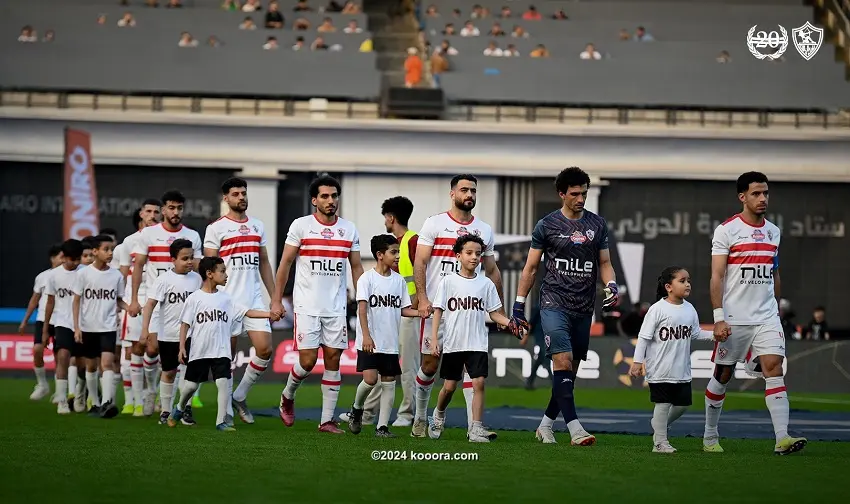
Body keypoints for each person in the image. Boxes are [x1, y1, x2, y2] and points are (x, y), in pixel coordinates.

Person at [511, 167, 619, 445]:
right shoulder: (546, 225)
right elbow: (531, 267)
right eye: (575, 194)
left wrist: (611, 286)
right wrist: (519, 305)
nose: (581, 198)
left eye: (584, 193)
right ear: (562, 194)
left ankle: (545, 425)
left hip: (584, 308)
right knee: (561, 360)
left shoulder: (598, 225)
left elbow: (604, 264)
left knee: (569, 373)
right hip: (553, 303)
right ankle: (575, 428)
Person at [704, 171, 807, 455]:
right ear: (742, 197)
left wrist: (777, 305)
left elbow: (774, 273)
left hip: (766, 317)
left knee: (774, 368)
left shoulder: (774, 231)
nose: (763, 199)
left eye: (766, 193)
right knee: (723, 375)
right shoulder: (727, 230)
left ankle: (782, 438)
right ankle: (710, 436)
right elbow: (717, 276)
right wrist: (718, 317)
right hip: (735, 319)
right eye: (756, 194)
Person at [412, 174, 504, 440]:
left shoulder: (483, 230)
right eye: (464, 190)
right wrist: (423, 298)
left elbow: (492, 270)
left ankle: (473, 427)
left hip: (468, 310)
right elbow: (420, 263)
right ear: (452, 193)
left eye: (473, 190)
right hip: (439, 307)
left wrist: (500, 308)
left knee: (471, 371)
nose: (470, 195)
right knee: (430, 365)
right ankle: (421, 416)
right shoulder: (434, 223)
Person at [271, 175, 365, 433]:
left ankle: (326, 421)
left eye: (334, 196)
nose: (331, 200)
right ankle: (288, 395)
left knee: (333, 358)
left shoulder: (349, 229)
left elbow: (356, 267)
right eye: (325, 196)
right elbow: (285, 264)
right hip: (307, 306)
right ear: (314, 200)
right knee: (309, 360)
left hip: (336, 307)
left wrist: (362, 299)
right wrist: (277, 300)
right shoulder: (301, 226)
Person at [204, 177, 278, 424]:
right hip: (226, 301)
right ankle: (224, 412)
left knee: (266, 349)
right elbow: (208, 268)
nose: (241, 197)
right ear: (226, 198)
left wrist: (275, 297)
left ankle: (240, 395)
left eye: (244, 193)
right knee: (228, 359)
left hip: (254, 299)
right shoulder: (216, 228)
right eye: (235, 194)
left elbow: (265, 262)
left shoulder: (257, 226)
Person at [340, 195, 419, 428]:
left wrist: (421, 305)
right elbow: (363, 308)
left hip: (405, 311)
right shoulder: (387, 249)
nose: (397, 256)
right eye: (393, 253)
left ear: (391, 217)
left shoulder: (411, 242)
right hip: (388, 317)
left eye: (385, 216)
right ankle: (365, 413)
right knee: (379, 375)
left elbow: (421, 272)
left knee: (403, 368)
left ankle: (404, 413)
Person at [169, 257, 272, 431]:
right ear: (209, 274)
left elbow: (248, 312)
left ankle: (221, 421)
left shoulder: (227, 299)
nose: (226, 275)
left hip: (221, 350)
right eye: (222, 271)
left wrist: (269, 314)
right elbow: (185, 324)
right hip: (199, 350)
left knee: (223, 383)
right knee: (191, 386)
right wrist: (181, 347)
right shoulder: (194, 299)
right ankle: (179, 407)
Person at [428, 235, 514, 443]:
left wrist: (510, 322)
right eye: (469, 253)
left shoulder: (485, 284)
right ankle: (438, 415)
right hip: (454, 343)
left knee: (479, 383)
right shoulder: (448, 282)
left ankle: (475, 428)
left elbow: (494, 313)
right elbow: (438, 311)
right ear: (458, 256)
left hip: (477, 342)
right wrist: (434, 339)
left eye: (478, 253)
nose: (474, 257)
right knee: (449, 387)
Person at [628, 267, 722, 453]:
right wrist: (637, 362)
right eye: (682, 280)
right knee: (662, 404)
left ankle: (658, 424)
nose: (687, 284)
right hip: (660, 368)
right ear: (668, 287)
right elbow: (644, 337)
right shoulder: (657, 309)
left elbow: (695, 333)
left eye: (688, 280)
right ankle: (660, 443)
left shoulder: (689, 309)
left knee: (682, 405)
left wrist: (715, 335)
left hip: (682, 370)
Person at [130, 191, 202, 417]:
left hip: (182, 302)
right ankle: (152, 391)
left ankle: (176, 405)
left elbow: (197, 268)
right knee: (151, 349)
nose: (175, 212)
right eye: (171, 207)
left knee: (183, 358)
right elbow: (139, 266)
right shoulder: (148, 234)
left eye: (179, 208)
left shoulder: (192, 235)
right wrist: (134, 299)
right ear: (163, 210)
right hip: (156, 299)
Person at [142, 239, 202, 424]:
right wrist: (145, 329)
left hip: (192, 334)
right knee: (168, 372)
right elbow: (150, 305)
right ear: (173, 259)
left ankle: (185, 409)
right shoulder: (163, 280)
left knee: (190, 372)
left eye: (191, 257)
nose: (190, 261)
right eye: (185, 258)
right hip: (168, 334)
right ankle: (166, 411)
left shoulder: (197, 279)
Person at [72, 234, 126, 418]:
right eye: (106, 249)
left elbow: (119, 300)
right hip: (88, 327)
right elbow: (76, 301)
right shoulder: (83, 274)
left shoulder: (116, 275)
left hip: (109, 326)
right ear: (95, 251)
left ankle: (107, 402)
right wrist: (77, 327)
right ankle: (94, 403)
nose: (110, 253)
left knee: (107, 363)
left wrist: (130, 308)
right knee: (91, 366)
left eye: (112, 249)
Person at [118, 200, 162, 415]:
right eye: (149, 211)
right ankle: (135, 401)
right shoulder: (129, 242)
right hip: (137, 300)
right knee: (136, 348)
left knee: (158, 349)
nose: (152, 215)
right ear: (141, 214)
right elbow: (123, 276)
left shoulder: (166, 239)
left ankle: (153, 395)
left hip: (160, 300)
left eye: (156, 211)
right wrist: (130, 301)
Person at [42, 239, 85, 415]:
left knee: (83, 365)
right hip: (62, 322)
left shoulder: (85, 273)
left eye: (78, 259)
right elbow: (50, 302)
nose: (75, 263)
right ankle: (62, 401)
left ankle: (81, 394)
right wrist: (45, 328)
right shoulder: (53, 276)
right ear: (63, 257)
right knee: (63, 357)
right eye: (72, 259)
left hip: (84, 324)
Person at [19, 244, 63, 401]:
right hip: (43, 318)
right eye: (61, 256)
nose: (63, 260)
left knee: (60, 356)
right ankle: (42, 385)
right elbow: (34, 300)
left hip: (60, 319)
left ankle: (60, 391)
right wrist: (25, 320)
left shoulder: (68, 276)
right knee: (37, 349)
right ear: (53, 258)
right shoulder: (42, 277)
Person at [68, 237, 96, 412]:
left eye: (90, 256)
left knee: (95, 363)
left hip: (97, 324)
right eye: (84, 256)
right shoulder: (78, 274)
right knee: (78, 362)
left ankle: (91, 398)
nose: (88, 260)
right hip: (79, 324)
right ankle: (77, 391)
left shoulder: (100, 274)